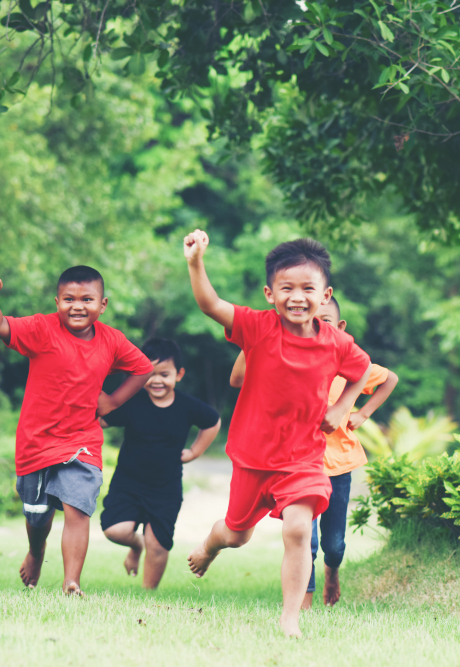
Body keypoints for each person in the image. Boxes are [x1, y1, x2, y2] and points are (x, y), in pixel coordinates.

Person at [182, 229, 372, 638]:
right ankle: (209, 546)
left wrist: (341, 409)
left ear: (325, 295)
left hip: (303, 459)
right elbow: (210, 304)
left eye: (308, 288)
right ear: (270, 293)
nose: (297, 297)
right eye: (287, 288)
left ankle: (290, 618)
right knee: (235, 534)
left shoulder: (336, 343)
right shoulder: (258, 328)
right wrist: (196, 262)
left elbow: (362, 368)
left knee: (300, 527)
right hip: (252, 457)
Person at [0, 265, 154, 596]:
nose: (77, 306)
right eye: (69, 299)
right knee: (37, 516)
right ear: (57, 301)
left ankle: (71, 580)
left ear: (102, 305)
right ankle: (36, 551)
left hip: (82, 441)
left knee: (78, 508)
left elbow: (143, 368)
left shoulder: (111, 339)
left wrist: (113, 401)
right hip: (36, 443)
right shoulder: (42, 328)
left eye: (87, 299)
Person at [230, 296, 398, 609]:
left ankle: (332, 572)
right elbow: (238, 380)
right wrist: (253, 339)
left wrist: (360, 413)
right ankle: (302, 607)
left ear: (341, 329)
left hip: (339, 467)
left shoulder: (349, 364)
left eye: (325, 323)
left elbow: (389, 378)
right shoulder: (287, 361)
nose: (314, 330)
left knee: (333, 545)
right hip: (297, 467)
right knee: (306, 540)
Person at [98, 337, 221, 590]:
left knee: (158, 544)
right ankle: (135, 545)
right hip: (128, 483)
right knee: (115, 530)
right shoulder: (131, 403)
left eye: (164, 374)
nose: (156, 380)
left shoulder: (187, 406)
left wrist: (195, 451)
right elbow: (101, 418)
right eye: (149, 374)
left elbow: (212, 421)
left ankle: (148, 592)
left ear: (179, 374)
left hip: (166, 488)